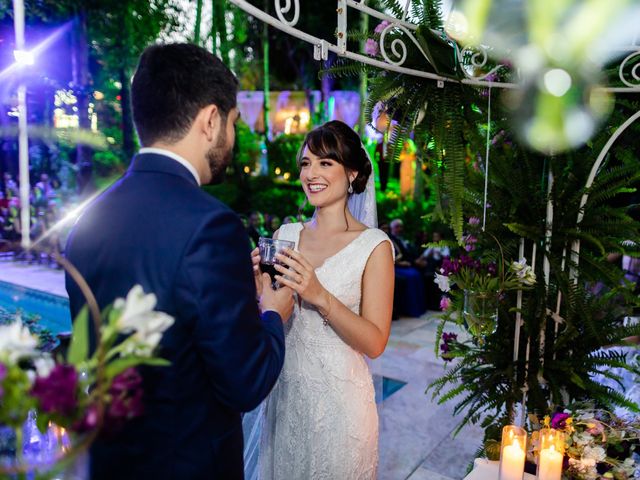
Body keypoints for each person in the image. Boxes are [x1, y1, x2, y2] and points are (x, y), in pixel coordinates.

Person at [65, 43, 293, 480]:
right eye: (232, 123)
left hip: (111, 462)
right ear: (210, 120)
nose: (232, 138)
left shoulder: (88, 219)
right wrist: (273, 315)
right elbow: (245, 381)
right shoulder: (212, 226)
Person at [252, 120, 395, 479]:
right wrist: (256, 290)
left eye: (324, 163)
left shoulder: (374, 246)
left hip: (340, 412)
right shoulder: (286, 235)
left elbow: (375, 342)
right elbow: (271, 315)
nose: (310, 173)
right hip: (284, 401)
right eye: (305, 163)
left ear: (351, 173)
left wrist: (319, 295)